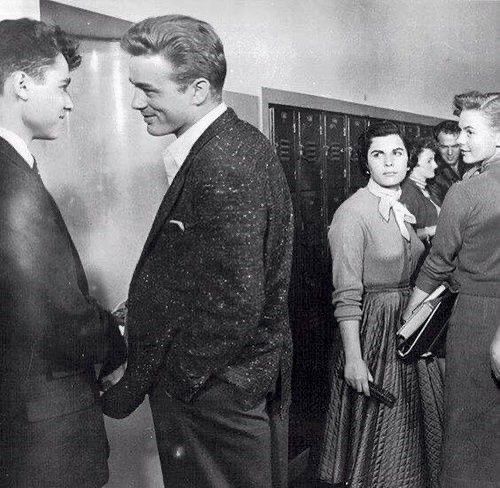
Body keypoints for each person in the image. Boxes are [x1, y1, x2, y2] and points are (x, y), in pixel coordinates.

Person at [101, 15, 294, 488]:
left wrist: (178, 377)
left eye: (148, 90)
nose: (135, 102)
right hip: (222, 386)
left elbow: (236, 301)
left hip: (212, 394)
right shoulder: (233, 144)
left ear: (198, 89)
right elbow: (199, 276)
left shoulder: (224, 161)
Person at [0, 18, 126, 488]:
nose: (70, 102)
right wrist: (117, 336)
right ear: (22, 85)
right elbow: (55, 313)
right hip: (42, 433)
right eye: (63, 86)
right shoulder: (9, 179)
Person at [312, 121, 442, 487]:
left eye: (397, 153)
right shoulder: (352, 214)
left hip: (405, 326)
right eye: (378, 154)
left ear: (408, 159)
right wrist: (354, 359)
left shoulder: (400, 206)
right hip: (372, 332)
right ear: (365, 163)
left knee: (410, 441)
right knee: (382, 443)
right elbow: (346, 296)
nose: (389, 162)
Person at [404, 91, 500, 488]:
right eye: (459, 131)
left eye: (469, 131)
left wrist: (409, 317)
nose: (460, 141)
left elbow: (438, 264)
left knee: (467, 431)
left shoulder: (466, 192)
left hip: (476, 319)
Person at [400, 137, 440, 246]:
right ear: (413, 163)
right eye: (429, 161)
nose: (435, 165)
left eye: (434, 160)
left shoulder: (426, 188)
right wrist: (431, 230)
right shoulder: (407, 193)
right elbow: (403, 236)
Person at [427, 120, 466, 204]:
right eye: (444, 147)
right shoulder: (432, 174)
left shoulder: (471, 164)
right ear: (437, 146)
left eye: (455, 146)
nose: (450, 152)